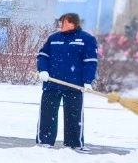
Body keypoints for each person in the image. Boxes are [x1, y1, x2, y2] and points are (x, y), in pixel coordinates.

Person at [36, 12, 98, 153]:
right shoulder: (53, 38)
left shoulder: (87, 39)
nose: (60, 25)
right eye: (60, 22)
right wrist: (43, 70)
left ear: (72, 23)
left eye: (63, 22)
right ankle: (45, 141)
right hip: (52, 83)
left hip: (74, 85)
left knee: (74, 115)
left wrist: (88, 81)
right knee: (47, 114)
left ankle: (74, 143)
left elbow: (90, 62)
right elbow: (43, 56)